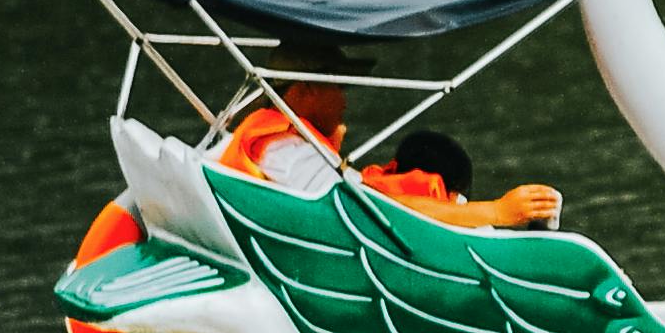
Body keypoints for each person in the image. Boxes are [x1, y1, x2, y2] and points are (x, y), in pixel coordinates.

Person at [214, 49, 561, 229]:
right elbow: (374, 212)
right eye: (339, 87)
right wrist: (496, 212)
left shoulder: (281, 140)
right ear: (306, 90)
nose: (345, 100)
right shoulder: (284, 151)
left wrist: (331, 146)